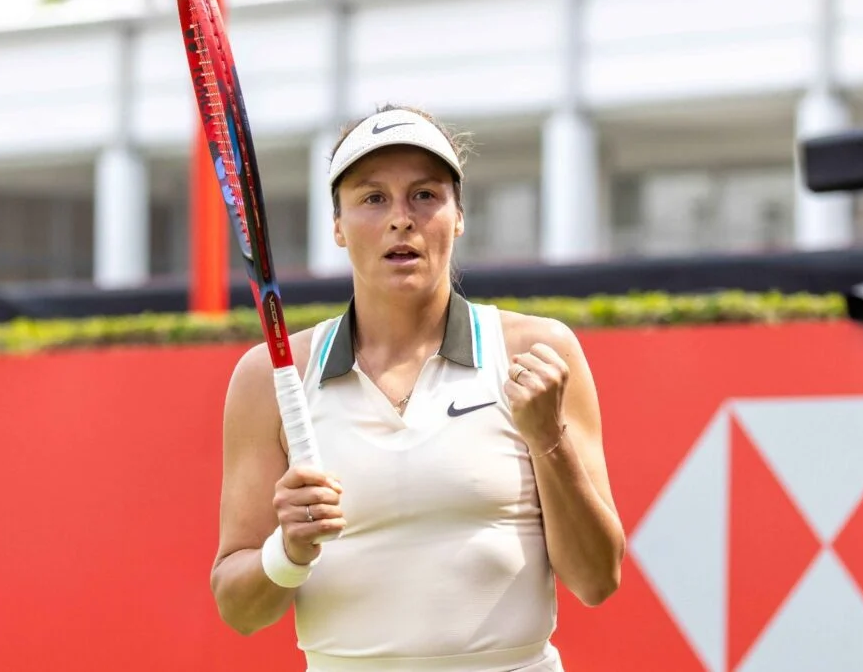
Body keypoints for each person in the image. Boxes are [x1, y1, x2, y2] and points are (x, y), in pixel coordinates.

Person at [212, 104, 626, 672]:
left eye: (425, 195)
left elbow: (597, 580)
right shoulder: (268, 378)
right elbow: (238, 609)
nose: (401, 219)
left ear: (458, 217)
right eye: (373, 198)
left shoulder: (537, 352)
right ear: (337, 225)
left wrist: (548, 440)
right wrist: (286, 551)